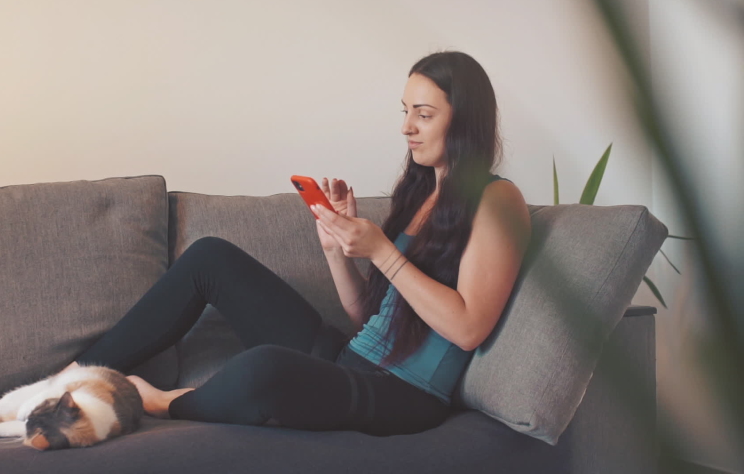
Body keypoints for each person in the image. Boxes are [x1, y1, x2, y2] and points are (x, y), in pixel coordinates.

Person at [63, 50, 532, 436]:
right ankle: (69, 378)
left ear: (465, 120)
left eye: (424, 114)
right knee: (210, 257)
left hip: (403, 395)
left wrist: (383, 253)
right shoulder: (422, 194)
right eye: (405, 111)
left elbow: (470, 327)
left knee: (265, 368)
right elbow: (366, 319)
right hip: (351, 362)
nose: (407, 127)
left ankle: (163, 403)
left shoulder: (498, 199)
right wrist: (336, 248)